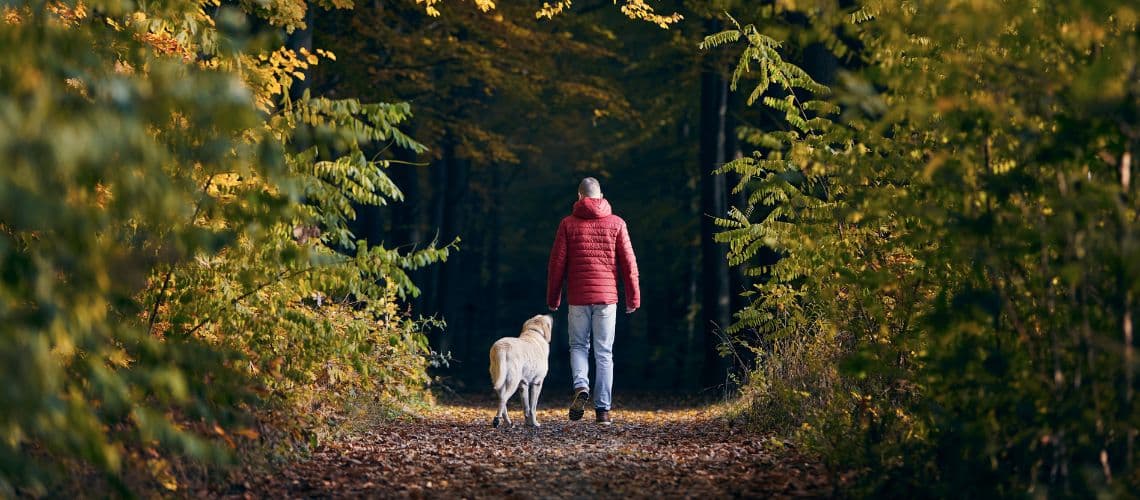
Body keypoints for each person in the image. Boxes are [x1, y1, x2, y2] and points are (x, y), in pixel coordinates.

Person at [546, 177, 640, 425]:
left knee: (578, 346)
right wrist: (633, 297)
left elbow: (557, 265)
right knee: (604, 353)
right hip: (607, 298)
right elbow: (629, 265)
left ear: (579, 197)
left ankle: (580, 386)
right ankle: (603, 411)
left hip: (578, 297)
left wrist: (553, 298)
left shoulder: (567, 224)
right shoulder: (617, 223)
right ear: (601, 196)